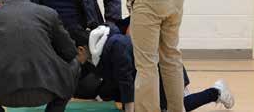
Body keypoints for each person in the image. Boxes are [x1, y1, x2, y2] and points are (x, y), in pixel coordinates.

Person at [72, 22, 235, 112]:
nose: (77, 61)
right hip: (150, 75)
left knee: (176, 107)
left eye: (75, 56)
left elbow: (125, 81)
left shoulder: (115, 47)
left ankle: (216, 92)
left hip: (164, 72)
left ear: (81, 49)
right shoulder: (100, 51)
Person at [0, 0, 79, 112]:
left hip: (2, 95)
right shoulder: (49, 13)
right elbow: (70, 52)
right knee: (75, 64)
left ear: (0, 3)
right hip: (47, 91)